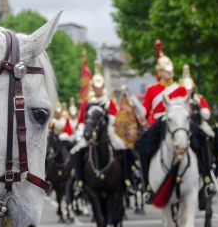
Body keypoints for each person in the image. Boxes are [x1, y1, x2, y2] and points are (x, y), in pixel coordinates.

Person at [133, 40, 188, 203]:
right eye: (166, 71)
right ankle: (148, 186)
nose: (169, 73)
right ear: (160, 72)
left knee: (200, 139)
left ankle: (206, 179)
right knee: (142, 146)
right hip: (159, 123)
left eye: (170, 70)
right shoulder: (152, 89)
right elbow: (145, 112)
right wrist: (136, 104)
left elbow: (186, 107)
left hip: (178, 121)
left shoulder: (180, 88)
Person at [71, 61, 126, 183]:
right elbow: (81, 120)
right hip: (91, 131)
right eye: (96, 86)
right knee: (78, 151)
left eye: (100, 86)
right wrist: (82, 130)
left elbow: (116, 117)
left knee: (123, 148)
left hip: (107, 131)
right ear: (93, 87)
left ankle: (126, 179)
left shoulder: (109, 100)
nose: (98, 89)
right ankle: (80, 181)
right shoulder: (87, 102)